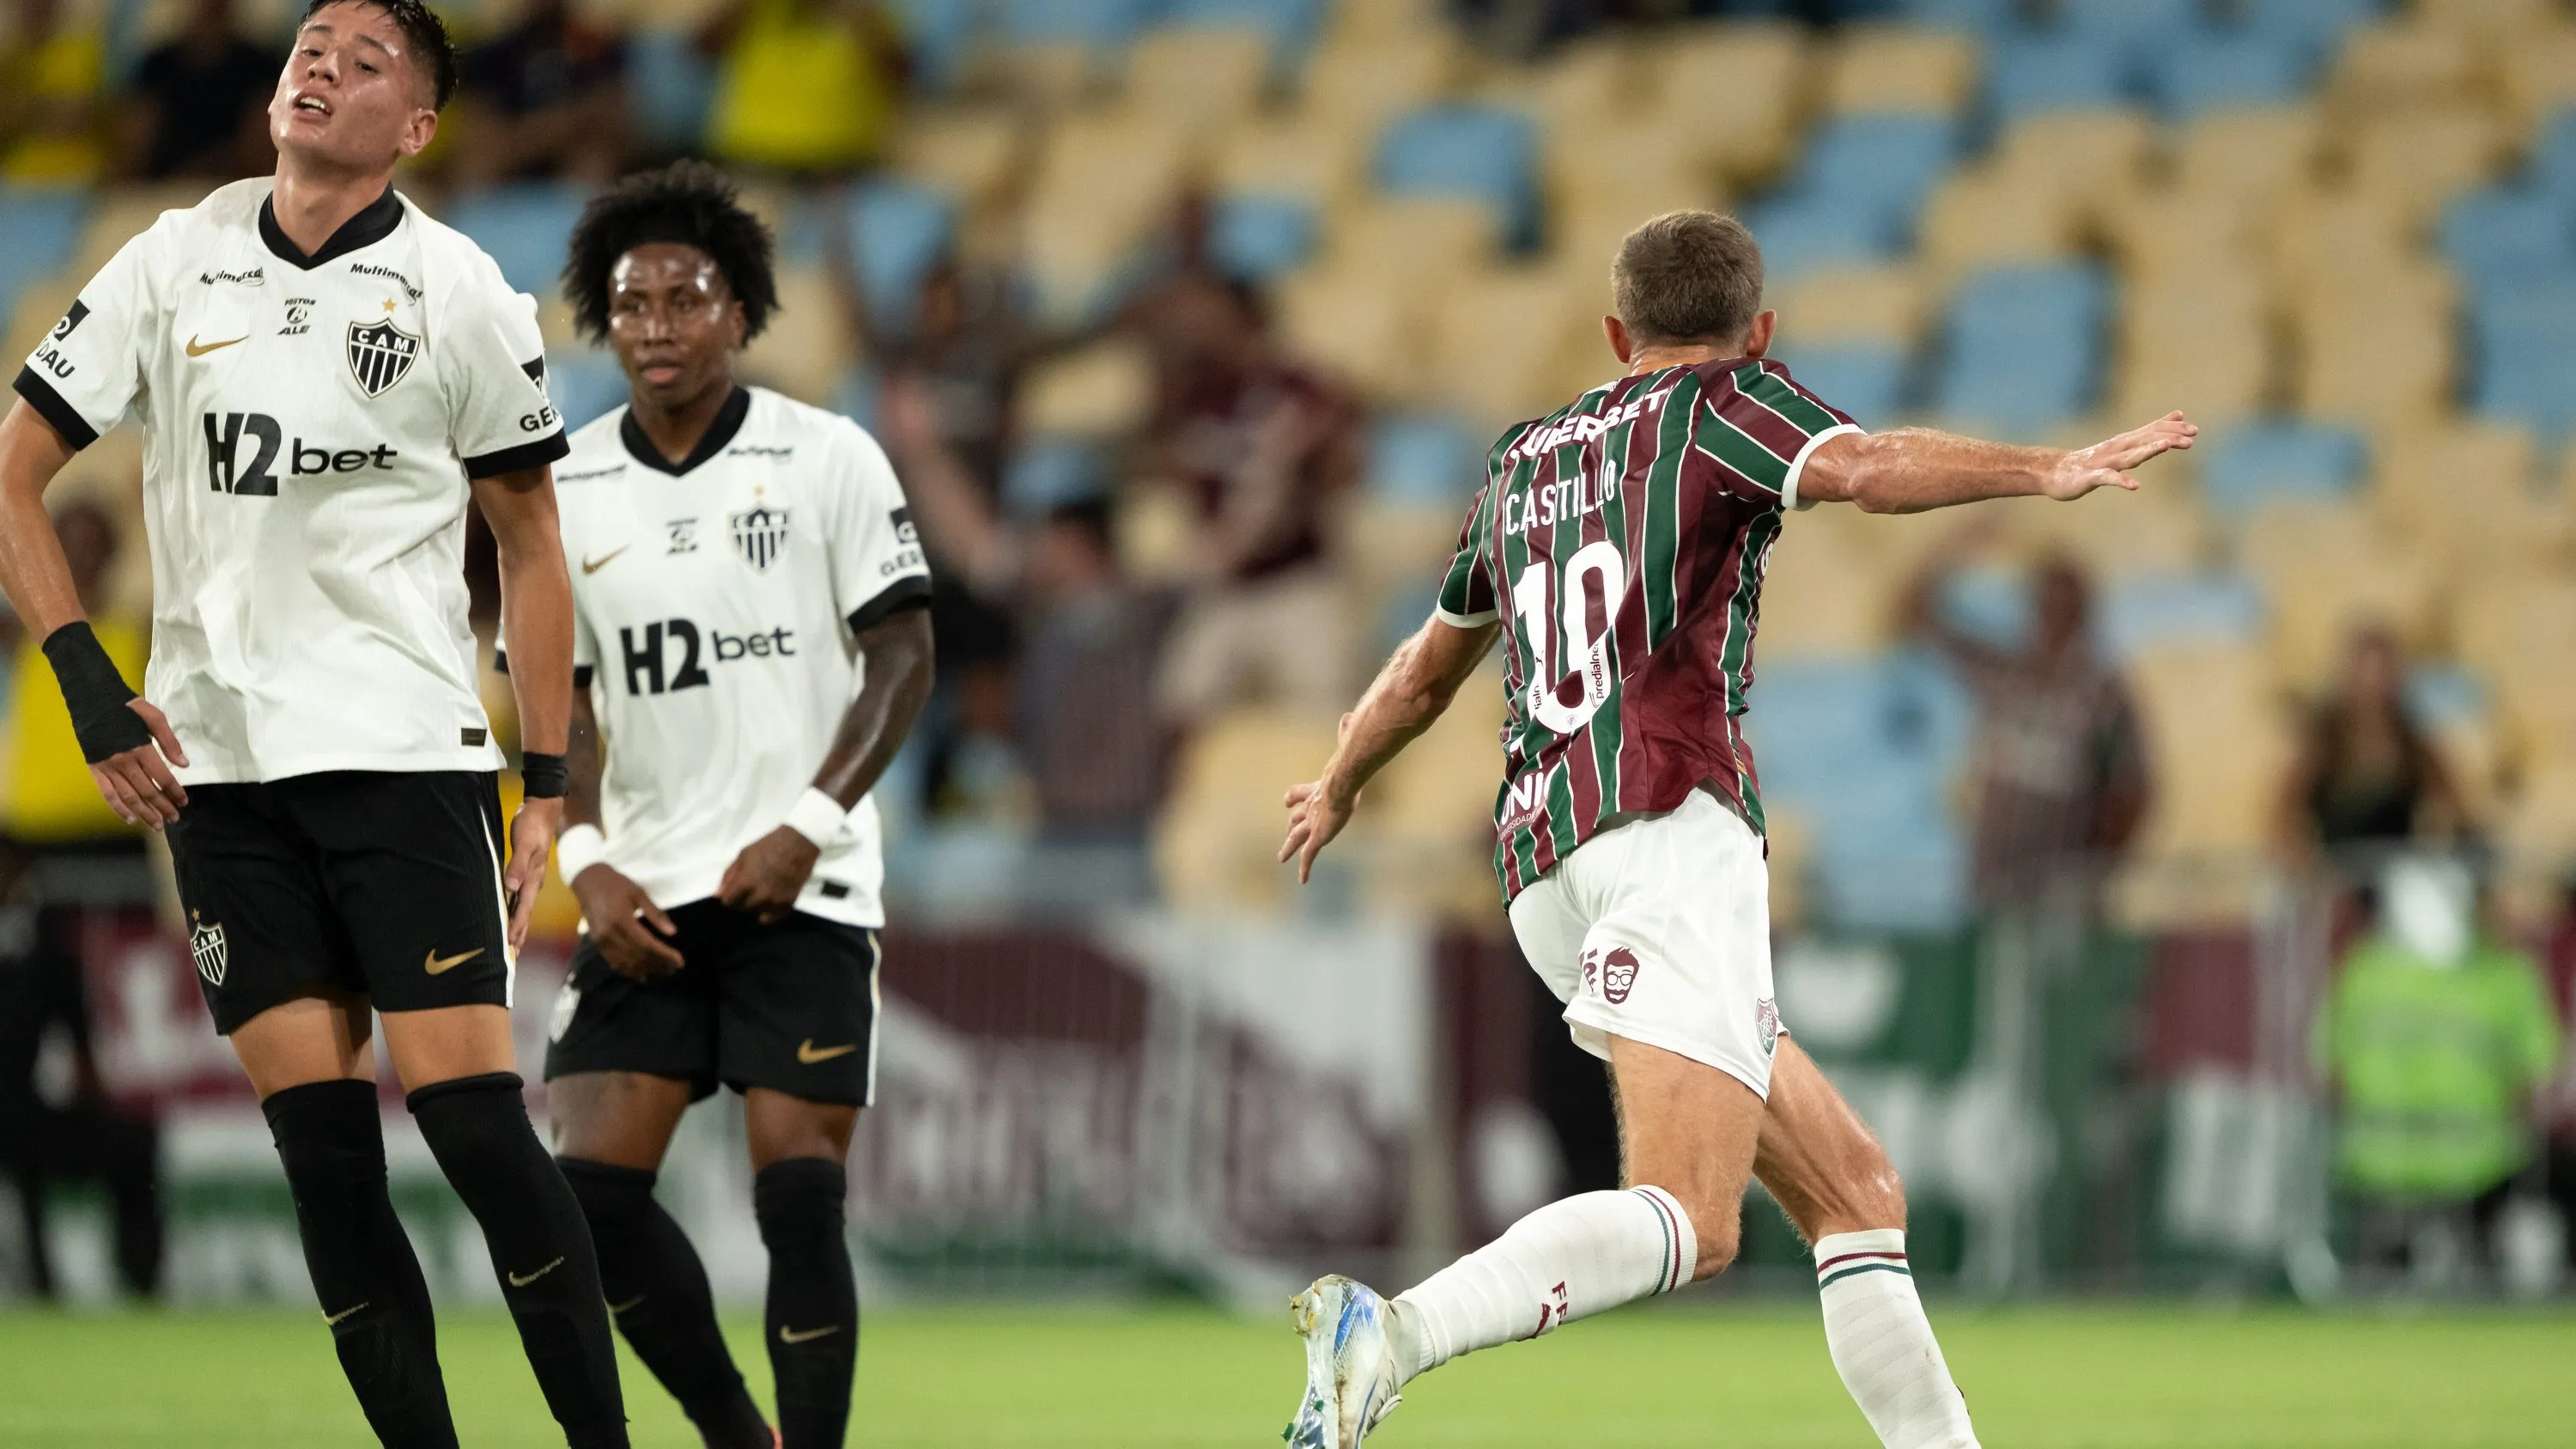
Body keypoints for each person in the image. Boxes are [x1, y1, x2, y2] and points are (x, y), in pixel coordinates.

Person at [1273, 210, 2196, 1449]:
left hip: (1545, 858)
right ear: (1758, 332)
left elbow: (1425, 675)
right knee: (1692, 1218)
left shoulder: (1522, 459)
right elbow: (1866, 469)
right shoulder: (1723, 402)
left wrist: (1337, 779)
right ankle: (1394, 1331)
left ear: (1615, 332)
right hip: (1665, 825)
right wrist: (2044, 469)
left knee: (1857, 1192)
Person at [0, 3, 628, 1445]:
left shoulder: (459, 289)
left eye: (365, 60)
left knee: (473, 1125)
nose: (319, 63)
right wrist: (91, 686)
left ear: (416, 128)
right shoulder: (174, 259)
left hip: (406, 762)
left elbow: (531, 543)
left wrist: (543, 778)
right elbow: (13, 472)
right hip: (219, 786)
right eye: (311, 42)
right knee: (329, 1168)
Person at [532, 161, 934, 1449]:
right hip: (641, 888)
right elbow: (558, 700)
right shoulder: (563, 487)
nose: (657, 324)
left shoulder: (826, 456)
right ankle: (734, 1434)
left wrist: (808, 821)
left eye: (686, 297)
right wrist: (585, 855)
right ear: (604, 319)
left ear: (741, 310)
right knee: (586, 1197)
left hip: (801, 887)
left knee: (799, 1204)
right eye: (632, 301)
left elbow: (906, 654)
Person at [2312, 855, 2560, 1282]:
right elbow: (2540, 1078)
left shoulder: (2362, 972)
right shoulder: (2508, 974)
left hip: (2383, 1160)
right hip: (2475, 1163)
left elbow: (2328, 1072)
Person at [1144, 273, 1361, 727]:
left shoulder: (1294, 387)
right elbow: (1167, 468)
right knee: (1179, 706)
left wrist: (1303, 459)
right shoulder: (1195, 393)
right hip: (1226, 588)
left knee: (1328, 710)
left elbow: (1346, 466)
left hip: (1294, 578)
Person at [1903, 545, 2149, 914]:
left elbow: (2132, 791)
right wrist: (1966, 541)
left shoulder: (2104, 695)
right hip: (1992, 885)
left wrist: (2093, 867)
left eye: (2065, 605)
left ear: (2083, 612)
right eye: (2045, 602)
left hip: (2063, 895)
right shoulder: (2003, 672)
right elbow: (1912, 611)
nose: (2053, 615)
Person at [2277, 625, 2467, 871]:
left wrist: (2439, 854)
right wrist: (2308, 867)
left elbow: (2455, 807)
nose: (2374, 684)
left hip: (2396, 877)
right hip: (2335, 877)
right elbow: (2283, 814)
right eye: (2366, 672)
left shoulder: (2411, 742)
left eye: (2383, 673)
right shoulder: (2326, 740)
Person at [698, 0, 905, 177]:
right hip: (753, 164)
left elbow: (900, 76)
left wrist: (857, 19)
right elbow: (702, 49)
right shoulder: (758, 9)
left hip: (839, 173)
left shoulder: (866, 14)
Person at [453, 0, 628, 186]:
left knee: (596, 156)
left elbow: (611, 117)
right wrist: (555, 126)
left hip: (571, 154)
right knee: (476, 162)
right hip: (512, 154)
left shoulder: (600, 48)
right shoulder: (491, 56)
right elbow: (481, 129)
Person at [119, 0, 276, 180]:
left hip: (235, 181)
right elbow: (137, 136)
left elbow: (265, 134)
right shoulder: (158, 66)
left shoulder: (260, 65)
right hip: (165, 184)